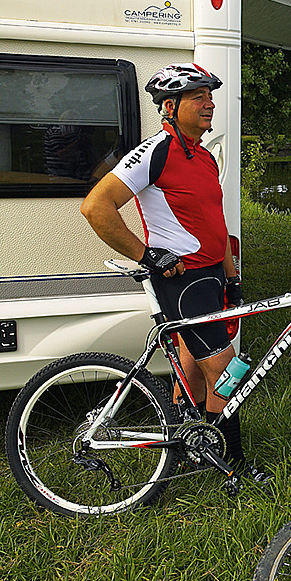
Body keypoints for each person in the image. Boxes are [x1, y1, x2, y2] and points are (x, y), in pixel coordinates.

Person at [80, 62, 268, 483]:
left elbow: (214, 221)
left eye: (210, 95)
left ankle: (192, 443)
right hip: (181, 282)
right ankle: (231, 462)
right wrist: (148, 256)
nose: (210, 103)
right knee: (228, 371)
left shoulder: (202, 156)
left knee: (195, 364)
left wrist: (232, 275)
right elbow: (96, 207)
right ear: (170, 106)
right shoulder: (154, 152)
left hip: (210, 276)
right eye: (198, 96)